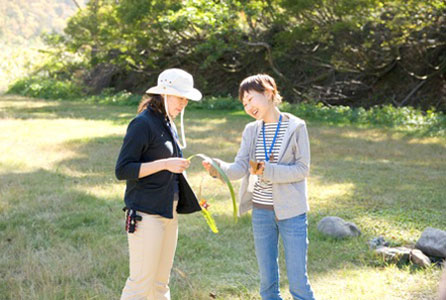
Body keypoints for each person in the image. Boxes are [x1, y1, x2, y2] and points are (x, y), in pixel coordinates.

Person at [203, 74, 316, 300]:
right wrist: (217, 168)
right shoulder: (251, 130)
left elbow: (302, 169)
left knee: (298, 283)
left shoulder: (296, 126)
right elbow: (240, 167)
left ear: (268, 93)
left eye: (250, 99)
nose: (248, 106)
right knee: (267, 284)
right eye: (244, 103)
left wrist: (268, 170)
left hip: (292, 212)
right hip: (261, 211)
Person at [115, 68, 202, 300]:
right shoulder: (142, 124)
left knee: (160, 285)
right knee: (140, 285)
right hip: (146, 214)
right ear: (163, 94)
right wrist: (164, 163)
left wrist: (194, 198)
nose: (183, 103)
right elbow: (123, 169)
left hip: (168, 212)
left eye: (186, 98)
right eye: (179, 96)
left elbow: (172, 173)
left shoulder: (168, 122)